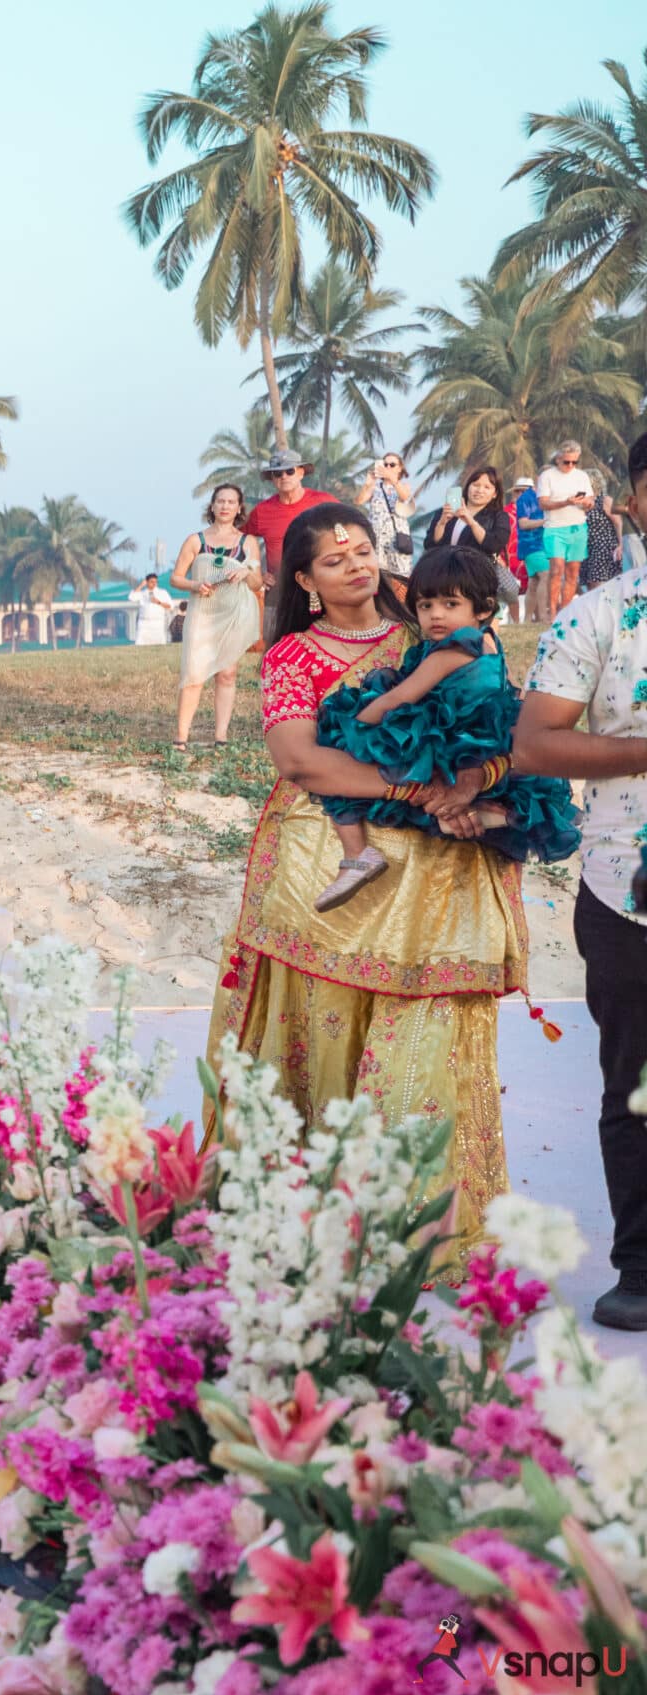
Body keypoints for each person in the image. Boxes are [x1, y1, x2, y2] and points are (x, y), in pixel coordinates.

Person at [206, 504, 525, 1256]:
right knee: (326, 1033)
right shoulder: (292, 655)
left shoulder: (430, 631)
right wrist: (415, 790)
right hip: (330, 873)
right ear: (307, 582)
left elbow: (495, 723)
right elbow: (301, 761)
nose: (353, 562)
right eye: (332, 557)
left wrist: (474, 788)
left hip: (441, 867)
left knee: (427, 1037)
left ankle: (419, 1234)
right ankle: (314, 1229)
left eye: (360, 549)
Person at [513, 428, 647, 1330]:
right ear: (634, 499)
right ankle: (640, 1267)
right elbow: (534, 743)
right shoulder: (596, 614)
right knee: (633, 1085)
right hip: (623, 886)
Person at [304, 546, 577, 910]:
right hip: (480, 732)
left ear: (483, 608)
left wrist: (358, 723)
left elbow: (402, 696)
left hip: (453, 731)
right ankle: (487, 807)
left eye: (450, 605)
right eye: (425, 605)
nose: (435, 615)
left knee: (341, 745)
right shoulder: (486, 641)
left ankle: (356, 852)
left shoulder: (452, 648)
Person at [172, 483, 266, 745]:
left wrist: (247, 572)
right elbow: (176, 578)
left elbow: (257, 583)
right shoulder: (195, 540)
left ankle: (221, 737)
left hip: (233, 613)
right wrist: (194, 585)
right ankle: (181, 738)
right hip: (202, 613)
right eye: (220, 501)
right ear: (212, 506)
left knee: (227, 674)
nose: (225, 506)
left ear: (239, 508)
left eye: (231, 502)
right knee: (193, 673)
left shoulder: (247, 542)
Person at [537, 441, 595, 622]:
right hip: (554, 528)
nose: (570, 466)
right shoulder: (547, 476)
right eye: (566, 462)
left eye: (574, 462)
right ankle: (552, 613)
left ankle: (565, 613)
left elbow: (591, 500)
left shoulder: (582, 476)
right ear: (558, 459)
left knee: (572, 572)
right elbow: (543, 503)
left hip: (578, 526)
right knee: (556, 569)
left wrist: (586, 502)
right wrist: (566, 502)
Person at [247, 449, 332, 573]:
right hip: (280, 588)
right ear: (272, 478)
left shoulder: (324, 501)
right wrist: (256, 573)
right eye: (278, 474)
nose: (284, 477)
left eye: (290, 471)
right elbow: (234, 537)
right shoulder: (261, 511)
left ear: (301, 473)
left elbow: (351, 526)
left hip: (320, 584)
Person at [357, 450, 416, 580]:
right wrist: (367, 485)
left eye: (392, 465)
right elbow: (359, 501)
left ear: (400, 468)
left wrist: (393, 480)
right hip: (377, 537)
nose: (388, 467)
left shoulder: (403, 486)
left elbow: (405, 497)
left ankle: (400, 600)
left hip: (397, 538)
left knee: (401, 576)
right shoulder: (375, 486)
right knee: (380, 577)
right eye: (385, 464)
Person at [127, 573, 178, 644]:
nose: (154, 584)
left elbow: (171, 606)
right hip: (144, 623)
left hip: (157, 623)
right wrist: (141, 585)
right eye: (152, 582)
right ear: (147, 582)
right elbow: (131, 597)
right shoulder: (143, 593)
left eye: (155, 582)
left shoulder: (162, 592)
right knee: (140, 643)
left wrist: (159, 602)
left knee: (159, 643)